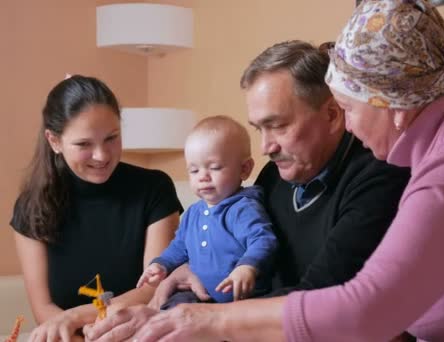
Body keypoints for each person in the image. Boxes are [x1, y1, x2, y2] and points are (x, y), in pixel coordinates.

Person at [89, 0, 444, 341]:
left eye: (350, 110)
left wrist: (203, 319)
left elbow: (365, 310)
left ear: (394, 108)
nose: (352, 129)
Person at [84, 40, 413, 341]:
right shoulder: (273, 176)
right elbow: (240, 247)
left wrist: (201, 318)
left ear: (331, 114)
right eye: (259, 128)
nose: (265, 147)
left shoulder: (379, 178)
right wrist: (186, 272)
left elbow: (321, 299)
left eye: (278, 125)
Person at [10, 75, 183, 342]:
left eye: (111, 138)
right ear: (54, 141)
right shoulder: (30, 207)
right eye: (84, 144)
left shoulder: (154, 188)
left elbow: (154, 288)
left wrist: (77, 315)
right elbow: (44, 310)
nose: (102, 155)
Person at [136, 115, 277, 306]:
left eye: (215, 167)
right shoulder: (194, 213)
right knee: (169, 310)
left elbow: (262, 241)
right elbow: (179, 247)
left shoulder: (242, 208)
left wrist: (247, 267)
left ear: (244, 169)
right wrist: (161, 264)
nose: (203, 177)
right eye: (194, 171)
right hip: (201, 294)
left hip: (244, 299)